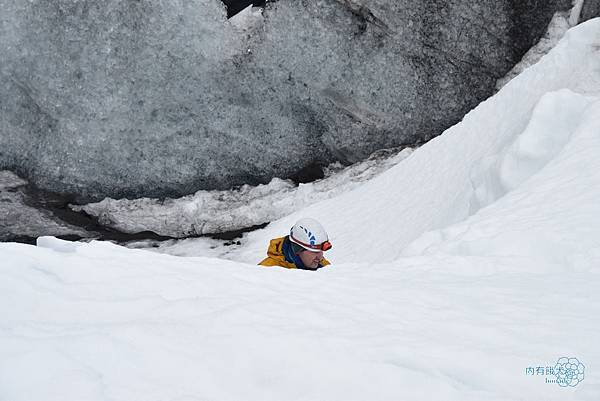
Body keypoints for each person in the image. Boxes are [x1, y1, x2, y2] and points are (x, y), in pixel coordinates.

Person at [258, 217, 332, 270]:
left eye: (320, 251)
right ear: (297, 249)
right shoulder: (266, 270)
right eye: (314, 252)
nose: (320, 256)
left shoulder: (323, 266)